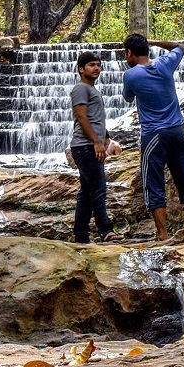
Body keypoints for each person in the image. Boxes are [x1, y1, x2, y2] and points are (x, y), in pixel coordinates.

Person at [122, 33, 184, 241]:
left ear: (130, 53)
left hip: (153, 135)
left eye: (126, 53)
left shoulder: (130, 75)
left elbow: (128, 97)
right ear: (147, 48)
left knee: (154, 183)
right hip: (177, 130)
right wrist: (154, 42)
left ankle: (163, 236)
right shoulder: (165, 63)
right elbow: (180, 45)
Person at [69, 51, 122, 243]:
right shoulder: (81, 89)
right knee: (98, 189)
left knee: (87, 191)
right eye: (91, 65)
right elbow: (81, 117)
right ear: (81, 69)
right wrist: (96, 143)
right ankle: (106, 230)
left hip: (88, 145)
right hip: (85, 146)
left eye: (98, 64)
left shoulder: (91, 89)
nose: (96, 68)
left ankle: (81, 234)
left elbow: (95, 118)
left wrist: (105, 137)